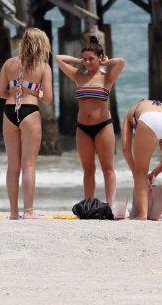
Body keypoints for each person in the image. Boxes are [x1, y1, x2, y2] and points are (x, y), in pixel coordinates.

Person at [54, 35, 124, 205]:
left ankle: (110, 205)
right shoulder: (78, 76)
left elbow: (121, 62)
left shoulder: (107, 78)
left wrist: (106, 62)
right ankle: (88, 204)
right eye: (84, 59)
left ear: (100, 58)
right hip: (83, 128)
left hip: (103, 127)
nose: (87, 62)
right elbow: (58, 58)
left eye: (91, 59)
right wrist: (79, 61)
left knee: (108, 169)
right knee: (88, 170)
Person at [0, 27, 54, 220]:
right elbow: (48, 98)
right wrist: (34, 92)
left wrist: (15, 90)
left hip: (9, 111)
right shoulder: (43, 67)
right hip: (29, 111)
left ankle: (13, 212)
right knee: (28, 164)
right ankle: (29, 211)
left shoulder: (9, 64)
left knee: (13, 165)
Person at [122, 100, 162, 220]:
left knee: (141, 171)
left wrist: (135, 171)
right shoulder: (161, 107)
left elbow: (125, 148)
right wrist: (154, 173)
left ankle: (143, 215)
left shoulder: (131, 112)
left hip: (148, 119)